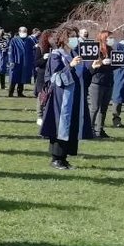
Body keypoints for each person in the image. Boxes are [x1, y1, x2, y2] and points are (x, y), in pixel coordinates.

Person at [40, 26, 91, 169]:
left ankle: (64, 158)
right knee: (60, 126)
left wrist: (93, 67)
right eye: (72, 36)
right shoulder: (56, 55)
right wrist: (70, 66)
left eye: (76, 36)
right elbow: (56, 78)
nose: (75, 39)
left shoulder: (75, 53)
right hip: (61, 98)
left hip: (75, 96)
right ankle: (56, 158)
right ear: (64, 38)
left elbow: (82, 78)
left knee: (72, 126)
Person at [88, 30, 115, 139]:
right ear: (104, 38)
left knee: (103, 108)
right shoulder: (96, 50)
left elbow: (114, 66)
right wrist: (102, 63)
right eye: (109, 38)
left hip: (108, 82)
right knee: (94, 107)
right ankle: (89, 129)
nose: (111, 40)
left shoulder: (111, 50)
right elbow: (91, 67)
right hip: (97, 82)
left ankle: (100, 129)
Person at [7, 26, 35, 97]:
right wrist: (11, 61)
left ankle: (20, 92)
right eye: (23, 31)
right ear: (19, 32)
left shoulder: (29, 40)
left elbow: (34, 48)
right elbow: (10, 51)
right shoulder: (14, 40)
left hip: (25, 62)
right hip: (16, 61)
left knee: (22, 78)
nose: (24, 33)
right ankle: (10, 92)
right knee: (13, 77)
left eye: (25, 31)